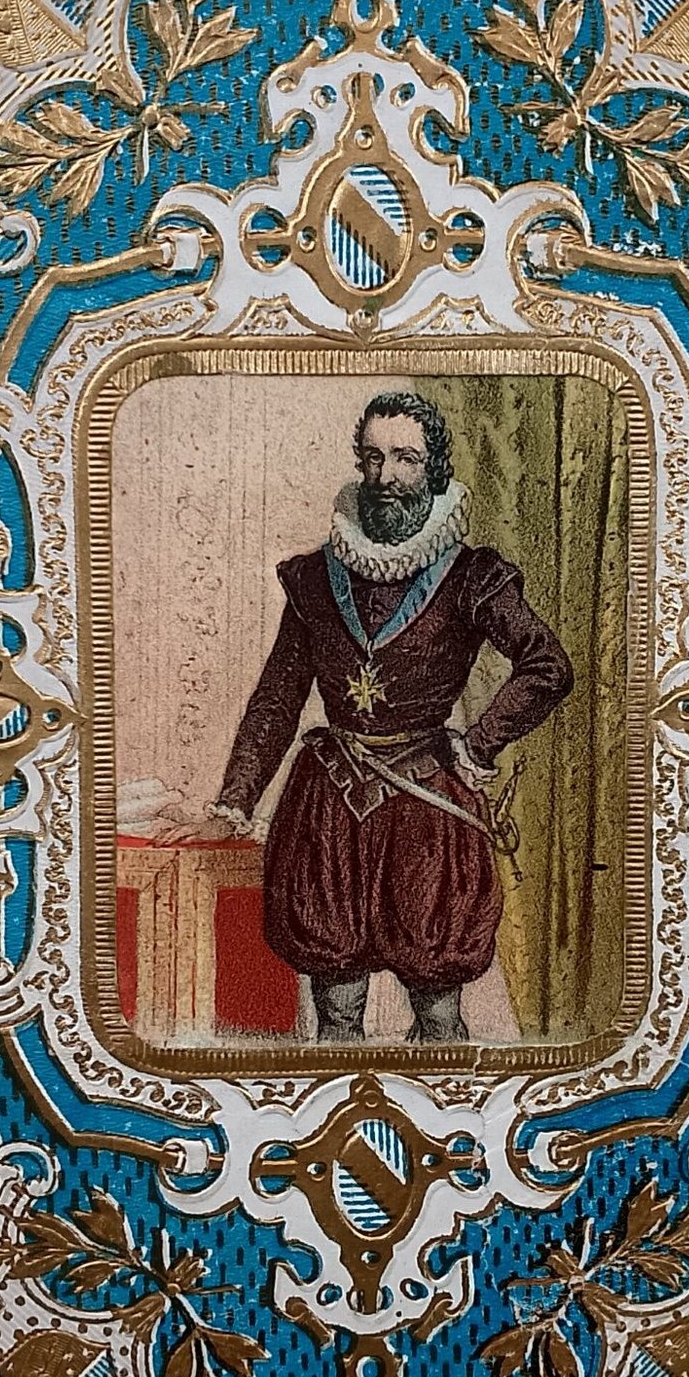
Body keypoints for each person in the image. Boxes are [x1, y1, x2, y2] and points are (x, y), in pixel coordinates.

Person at [207, 390, 573, 1042]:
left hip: (428, 808)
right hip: (329, 806)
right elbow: (277, 697)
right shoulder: (315, 579)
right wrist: (235, 799)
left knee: (438, 1011)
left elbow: (548, 665)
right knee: (336, 1008)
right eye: (374, 458)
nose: (387, 475)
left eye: (406, 458)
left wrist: (480, 744)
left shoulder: (471, 576)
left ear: (433, 469)